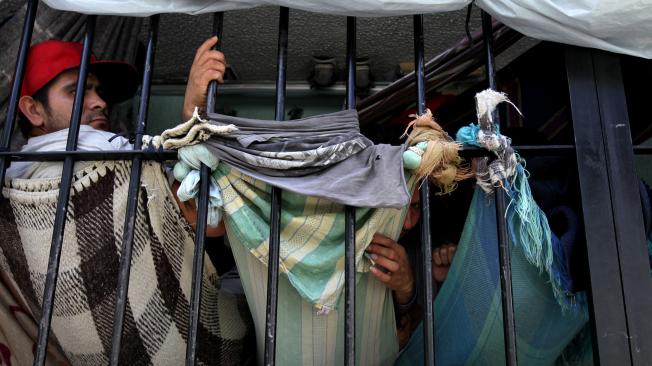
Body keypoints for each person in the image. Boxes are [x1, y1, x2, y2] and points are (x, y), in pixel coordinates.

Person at [8, 36, 228, 235]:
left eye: (98, 91)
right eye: (75, 91)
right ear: (34, 110)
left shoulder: (11, 180)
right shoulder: (101, 154)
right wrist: (192, 115)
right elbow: (209, 222)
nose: (101, 103)